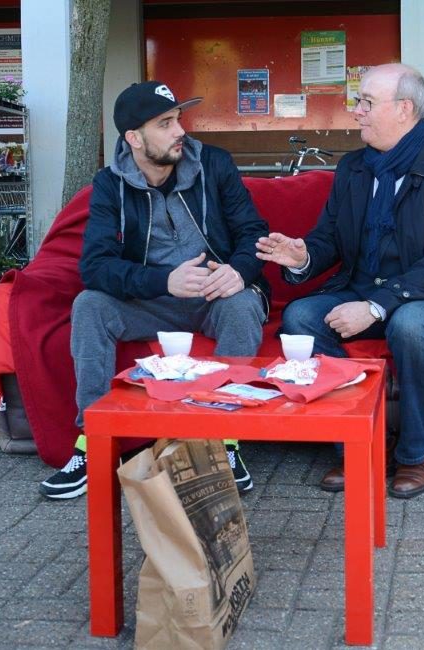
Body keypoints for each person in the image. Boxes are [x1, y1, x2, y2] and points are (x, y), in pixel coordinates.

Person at [256, 64, 424, 499]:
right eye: (358, 101)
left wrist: (376, 305)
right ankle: (359, 443)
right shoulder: (354, 169)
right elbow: (330, 238)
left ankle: (414, 453)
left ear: (404, 109)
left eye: (366, 102)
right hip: (363, 287)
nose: (356, 112)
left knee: (412, 322)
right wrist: (303, 255)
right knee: (300, 317)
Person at [39, 81, 269, 499]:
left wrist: (239, 270)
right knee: (90, 305)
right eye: (165, 123)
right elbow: (95, 268)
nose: (180, 130)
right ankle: (93, 440)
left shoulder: (214, 165)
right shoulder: (111, 184)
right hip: (149, 300)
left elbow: (253, 232)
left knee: (242, 305)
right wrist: (164, 281)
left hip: (214, 294)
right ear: (134, 138)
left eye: (178, 118)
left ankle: (223, 439)